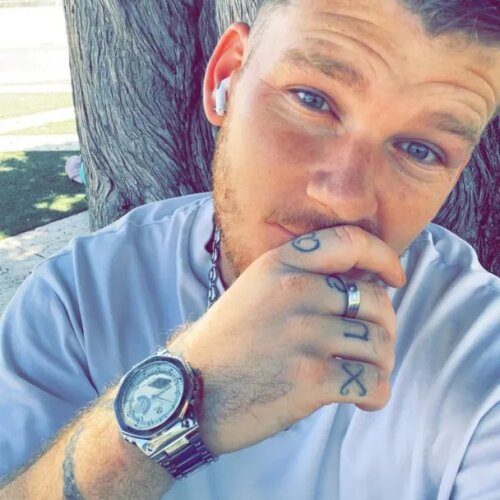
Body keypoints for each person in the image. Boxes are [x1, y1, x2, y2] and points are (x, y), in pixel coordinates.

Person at [1, 0, 499, 498]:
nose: (342, 197)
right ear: (226, 79)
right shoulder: (77, 301)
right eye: (312, 100)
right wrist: (184, 405)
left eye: (421, 150)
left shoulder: (481, 352)